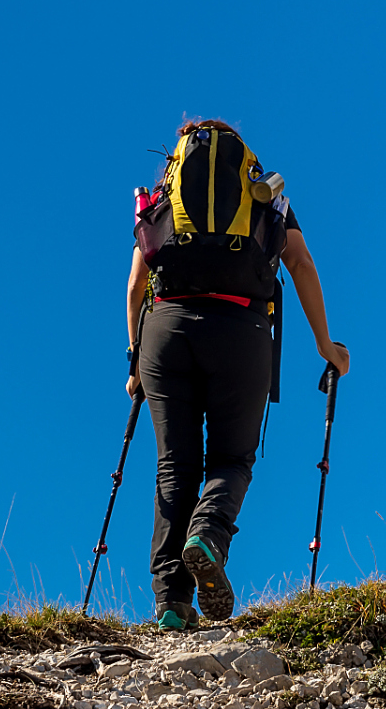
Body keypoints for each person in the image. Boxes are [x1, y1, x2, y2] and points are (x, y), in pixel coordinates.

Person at [125, 119, 351, 628]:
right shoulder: (264, 196)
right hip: (241, 328)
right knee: (231, 458)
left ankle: (171, 604)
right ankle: (207, 532)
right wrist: (325, 345)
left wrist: (136, 358)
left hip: (166, 331)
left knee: (174, 466)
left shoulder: (164, 198)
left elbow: (138, 282)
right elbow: (301, 264)